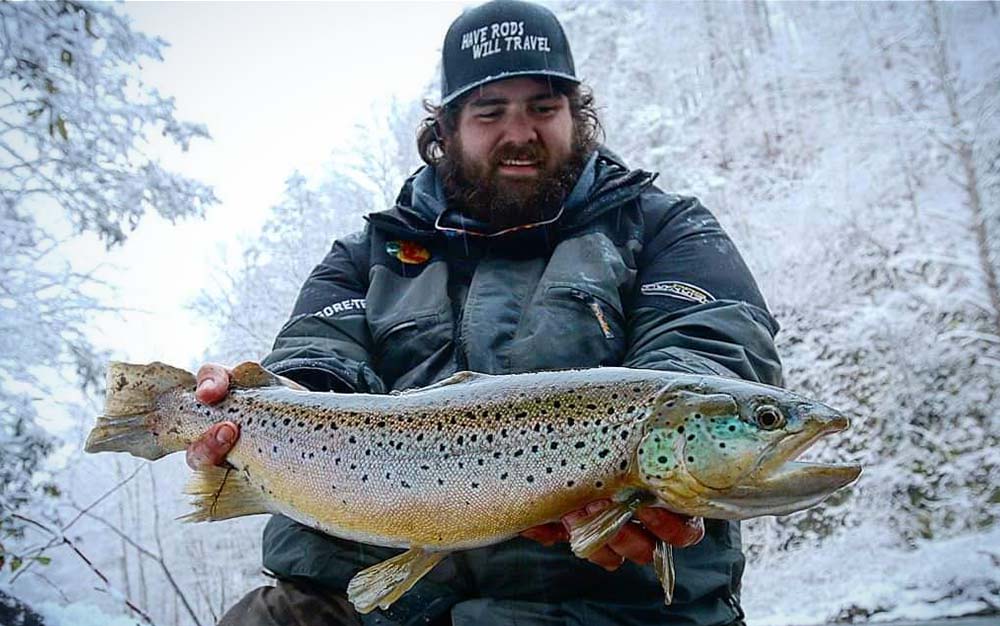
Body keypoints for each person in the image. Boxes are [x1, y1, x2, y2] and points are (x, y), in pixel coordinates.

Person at [187, 1, 782, 624]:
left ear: (578, 118)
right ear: (444, 129)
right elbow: (317, 369)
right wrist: (253, 413)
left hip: (602, 602)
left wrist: (646, 462)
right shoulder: (365, 259)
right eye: (490, 111)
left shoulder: (666, 230)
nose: (519, 132)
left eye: (543, 109)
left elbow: (713, 353)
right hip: (379, 603)